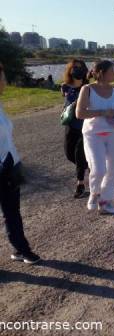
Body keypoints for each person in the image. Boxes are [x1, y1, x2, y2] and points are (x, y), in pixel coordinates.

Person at [0, 62, 41, 264]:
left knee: (12, 212)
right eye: (3, 78)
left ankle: (20, 249)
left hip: (9, 166)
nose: (5, 82)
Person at [76, 60, 114, 214]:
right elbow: (79, 113)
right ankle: (95, 192)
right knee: (98, 169)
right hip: (93, 134)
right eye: (112, 71)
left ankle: (105, 202)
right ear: (102, 73)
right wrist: (104, 113)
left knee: (113, 169)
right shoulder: (87, 89)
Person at [61, 59, 89, 198]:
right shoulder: (65, 87)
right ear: (70, 70)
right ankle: (89, 165)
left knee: (79, 153)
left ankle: (80, 183)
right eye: (75, 68)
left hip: (85, 126)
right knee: (69, 154)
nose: (78, 70)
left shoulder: (89, 88)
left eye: (81, 68)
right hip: (70, 125)